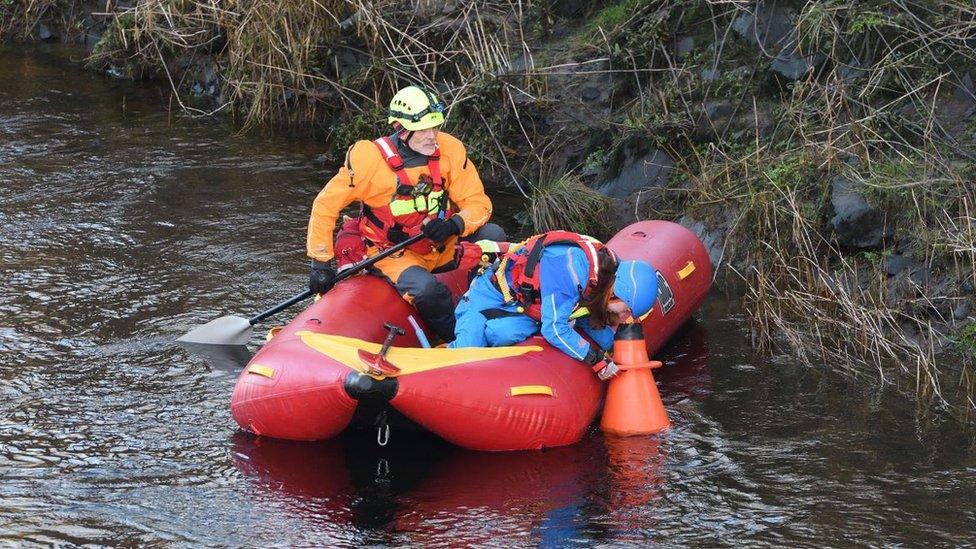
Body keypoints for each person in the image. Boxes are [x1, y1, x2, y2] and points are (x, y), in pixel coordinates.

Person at [306, 85, 505, 342]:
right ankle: (456, 341)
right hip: (394, 252)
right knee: (427, 289)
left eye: (435, 127)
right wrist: (320, 262)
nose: (432, 136)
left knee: (494, 235)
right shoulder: (369, 161)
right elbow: (326, 205)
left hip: (440, 243)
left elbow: (478, 203)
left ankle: (484, 302)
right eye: (423, 129)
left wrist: (455, 224)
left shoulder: (450, 150)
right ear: (401, 128)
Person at [449, 231, 658, 380]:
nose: (624, 316)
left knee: (503, 333)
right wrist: (597, 361)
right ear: (617, 294)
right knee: (468, 347)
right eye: (626, 310)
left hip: (526, 303)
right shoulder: (570, 273)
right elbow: (554, 329)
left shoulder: (606, 271)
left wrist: (615, 348)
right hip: (491, 292)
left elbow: (585, 312)